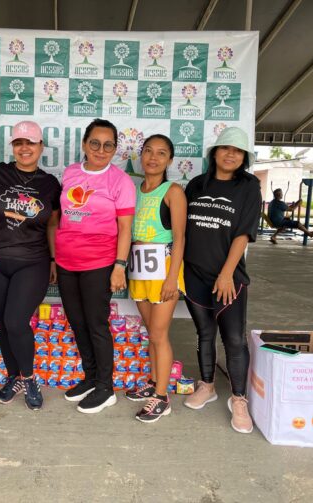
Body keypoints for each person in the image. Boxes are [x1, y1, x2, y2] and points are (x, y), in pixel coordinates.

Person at [181, 126, 261, 434]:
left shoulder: (249, 186)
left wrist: (227, 273)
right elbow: (182, 227)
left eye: (238, 151)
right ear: (214, 153)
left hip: (228, 277)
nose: (231, 154)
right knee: (204, 333)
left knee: (235, 339)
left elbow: (243, 233)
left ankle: (239, 399)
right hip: (193, 274)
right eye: (226, 148)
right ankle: (208, 385)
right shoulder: (196, 184)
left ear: (243, 158)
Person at [56, 118, 136, 414]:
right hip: (67, 261)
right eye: (95, 143)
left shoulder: (120, 181)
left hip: (100, 262)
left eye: (108, 145)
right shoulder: (70, 173)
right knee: (77, 322)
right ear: (83, 145)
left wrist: (119, 265)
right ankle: (90, 377)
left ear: (115, 148)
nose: (101, 150)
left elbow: (125, 228)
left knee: (96, 324)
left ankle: (105, 386)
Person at [0, 121, 61, 410]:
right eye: (18, 143)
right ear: (13, 146)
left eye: (31, 143)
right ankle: (13, 377)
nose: (24, 148)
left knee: (16, 321)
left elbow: (52, 224)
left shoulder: (50, 184)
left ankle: (29, 378)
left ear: (41, 147)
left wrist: (53, 258)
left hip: (33, 262)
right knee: (4, 325)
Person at [124, 134, 186, 423]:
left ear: (170, 160)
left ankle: (161, 397)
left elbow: (180, 237)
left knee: (159, 334)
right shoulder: (134, 190)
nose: (153, 157)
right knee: (151, 330)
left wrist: (172, 278)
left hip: (165, 269)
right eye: (148, 151)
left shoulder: (173, 191)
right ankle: (153, 380)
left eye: (161, 153)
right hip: (139, 268)